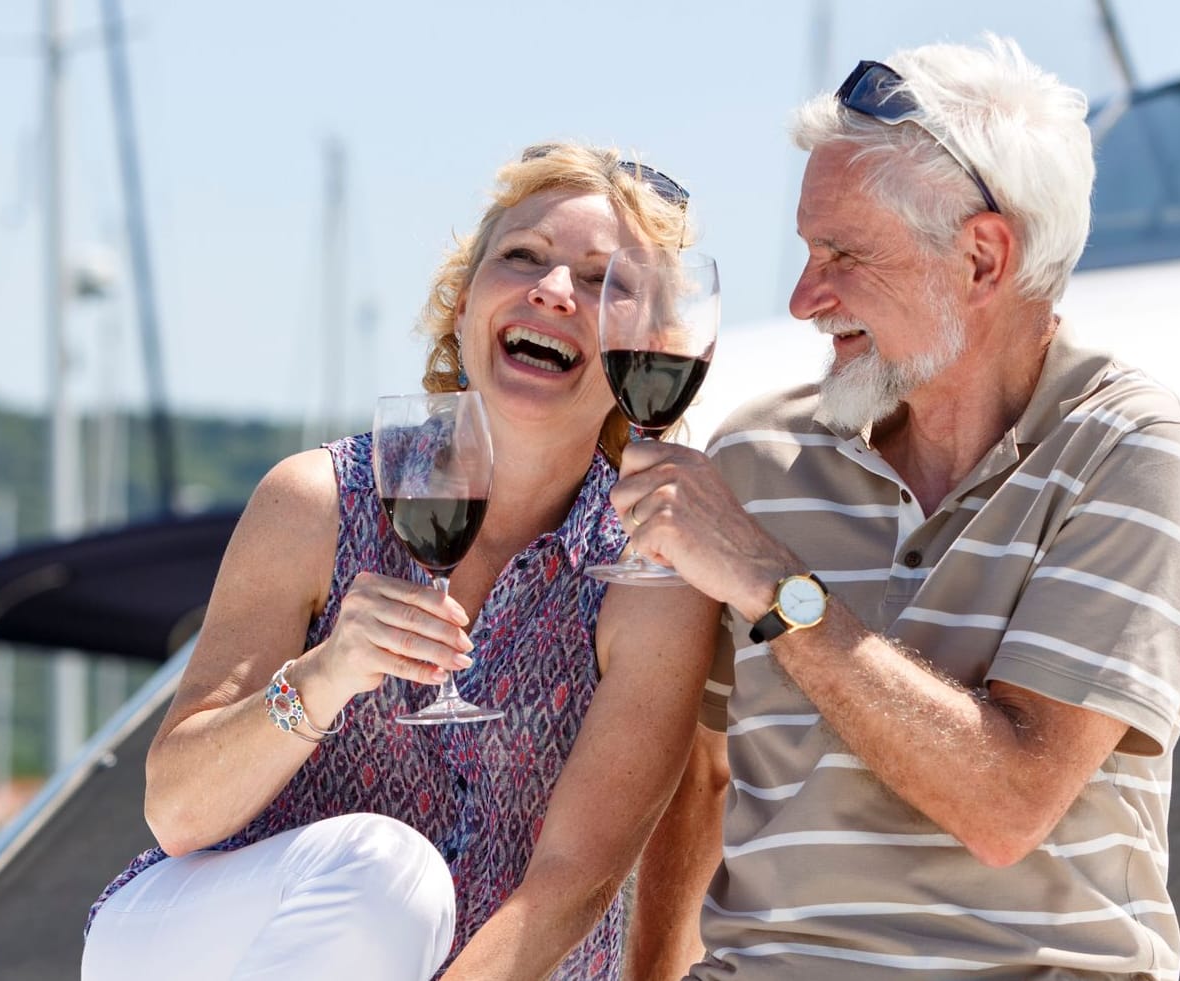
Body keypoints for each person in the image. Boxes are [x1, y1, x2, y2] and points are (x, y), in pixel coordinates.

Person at [616, 37, 1180, 979]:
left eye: (842, 254)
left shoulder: (1128, 453)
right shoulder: (753, 456)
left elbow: (1006, 806)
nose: (803, 296)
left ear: (982, 258)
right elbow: (699, 777)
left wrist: (772, 583)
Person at [79, 142, 720, 980]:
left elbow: (574, 878)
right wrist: (323, 676)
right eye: (522, 256)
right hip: (207, 941)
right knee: (388, 873)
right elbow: (177, 811)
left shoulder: (648, 568)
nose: (553, 289)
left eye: (604, 281)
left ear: (655, 344)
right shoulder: (319, 501)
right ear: (459, 306)